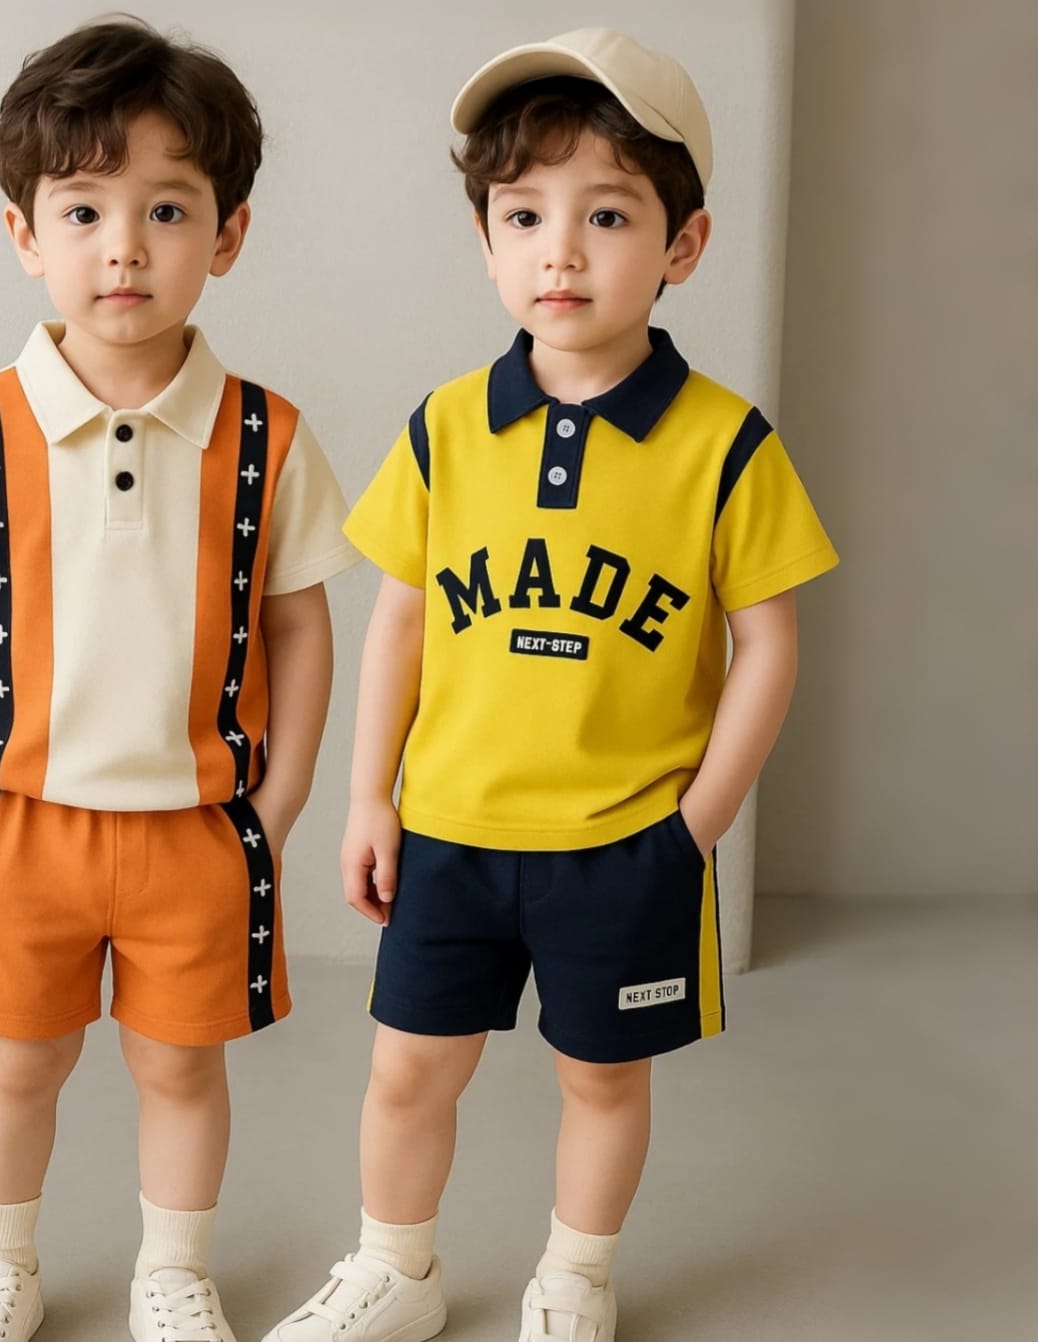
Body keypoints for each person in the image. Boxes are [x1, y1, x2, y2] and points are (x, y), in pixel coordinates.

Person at [262, 27, 838, 1342]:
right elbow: (401, 618)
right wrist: (368, 797)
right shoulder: (444, 425)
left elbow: (770, 643)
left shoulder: (726, 444)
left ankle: (574, 1276)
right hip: (451, 828)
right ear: (486, 240)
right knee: (407, 1070)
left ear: (684, 245)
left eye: (607, 215)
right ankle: (396, 1269)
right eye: (523, 215)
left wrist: (695, 824)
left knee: (602, 1079)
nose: (559, 252)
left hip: (623, 840)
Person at [0, 18, 357, 1341]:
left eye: (166, 210)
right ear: (25, 233)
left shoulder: (266, 437)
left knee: (179, 1069)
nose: (123, 247)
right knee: (14, 1065)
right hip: (19, 824)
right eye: (82, 210)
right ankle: (0, 1267)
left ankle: (173, 1272)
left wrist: (281, 799)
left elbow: (302, 626)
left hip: (196, 826)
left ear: (228, 234)